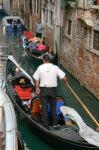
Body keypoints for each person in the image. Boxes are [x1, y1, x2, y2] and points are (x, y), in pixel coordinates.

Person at [33, 54, 68, 129]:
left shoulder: (40, 67)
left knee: (44, 108)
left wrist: (37, 87)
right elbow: (64, 78)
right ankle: (55, 124)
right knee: (53, 107)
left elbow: (36, 78)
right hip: (52, 90)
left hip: (43, 90)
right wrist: (66, 81)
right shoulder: (55, 67)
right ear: (49, 60)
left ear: (43, 60)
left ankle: (45, 125)